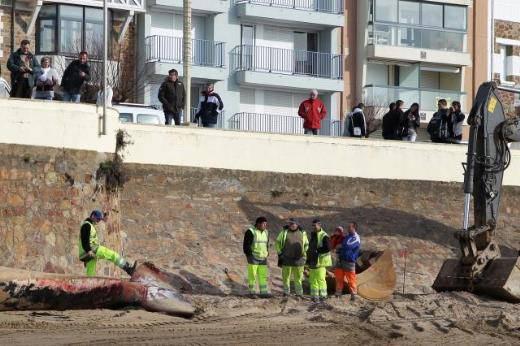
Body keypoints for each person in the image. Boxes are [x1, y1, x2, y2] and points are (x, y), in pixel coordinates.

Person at [79, 210, 136, 277]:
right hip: (93, 249)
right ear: (92, 216)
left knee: (91, 271)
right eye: (97, 219)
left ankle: (89, 284)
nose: (98, 221)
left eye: (99, 220)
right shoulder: (87, 225)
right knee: (113, 255)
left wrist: (86, 255)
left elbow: (85, 239)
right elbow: (84, 239)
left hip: (84, 254)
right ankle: (129, 269)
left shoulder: (88, 225)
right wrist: (88, 251)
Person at [275, 218, 308, 297]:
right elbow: (278, 242)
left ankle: (299, 293)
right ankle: (286, 292)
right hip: (286, 259)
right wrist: (280, 253)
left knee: (298, 278)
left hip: (299, 259)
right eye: (290, 224)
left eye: (293, 224)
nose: (291, 225)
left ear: (297, 224)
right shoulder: (284, 232)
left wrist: (304, 252)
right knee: (286, 277)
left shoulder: (302, 233)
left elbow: (306, 244)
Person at [243, 216, 271, 298]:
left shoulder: (266, 232)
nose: (265, 225)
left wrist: (267, 252)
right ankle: (252, 292)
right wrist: (249, 255)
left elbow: (266, 244)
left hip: (263, 257)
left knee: (262, 275)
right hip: (253, 257)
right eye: (263, 224)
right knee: (252, 275)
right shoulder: (250, 231)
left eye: (266, 224)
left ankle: (263, 292)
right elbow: (246, 245)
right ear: (258, 224)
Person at [306, 219, 332, 302]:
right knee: (313, 280)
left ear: (319, 225)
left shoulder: (324, 235)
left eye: (315, 225)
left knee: (320, 279)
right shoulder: (313, 235)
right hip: (313, 261)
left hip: (320, 262)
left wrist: (318, 250)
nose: (313, 227)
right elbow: (310, 248)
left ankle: (323, 296)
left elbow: (328, 247)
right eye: (313, 225)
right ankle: (315, 296)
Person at [336, 222, 361, 300]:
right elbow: (341, 246)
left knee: (351, 280)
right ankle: (338, 293)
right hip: (341, 260)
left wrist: (341, 246)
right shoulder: (347, 237)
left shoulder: (356, 237)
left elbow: (348, 246)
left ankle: (353, 295)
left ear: (354, 228)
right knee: (339, 278)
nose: (348, 228)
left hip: (349, 261)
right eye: (348, 226)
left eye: (350, 227)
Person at [330, 226, 346, 296]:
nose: (337, 232)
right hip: (332, 254)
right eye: (336, 230)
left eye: (339, 231)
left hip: (339, 256)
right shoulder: (332, 237)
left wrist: (337, 249)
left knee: (338, 272)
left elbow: (342, 246)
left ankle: (339, 291)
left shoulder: (343, 238)